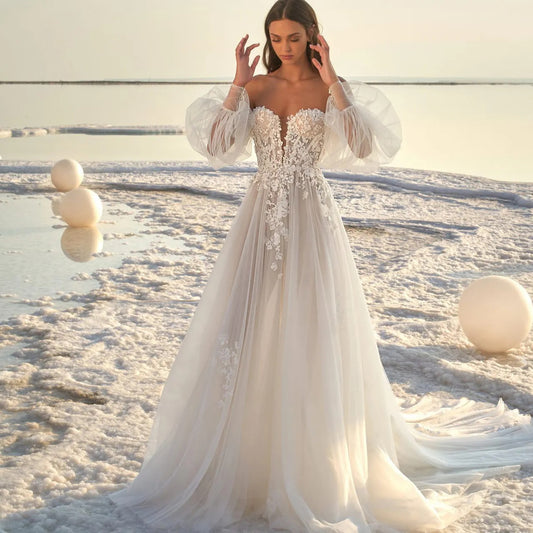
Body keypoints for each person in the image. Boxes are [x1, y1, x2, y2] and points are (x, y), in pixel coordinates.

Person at [109, 1, 533, 531]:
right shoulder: (258, 88)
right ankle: (247, 450)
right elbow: (218, 148)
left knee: (310, 325)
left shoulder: (333, 87)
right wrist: (237, 83)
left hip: (312, 217)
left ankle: (313, 455)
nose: (284, 46)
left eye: (293, 36)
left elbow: (363, 146)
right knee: (249, 322)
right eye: (276, 37)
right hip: (260, 215)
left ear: (313, 35)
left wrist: (333, 82)